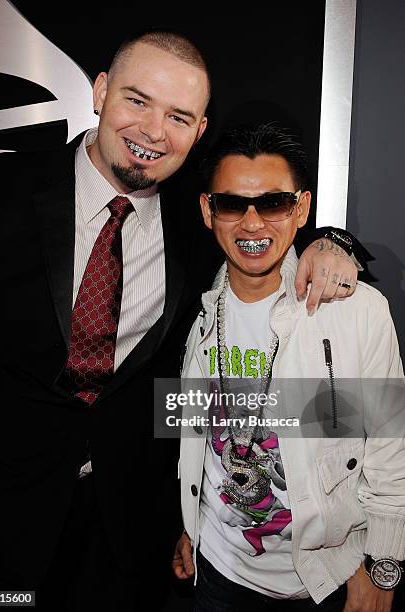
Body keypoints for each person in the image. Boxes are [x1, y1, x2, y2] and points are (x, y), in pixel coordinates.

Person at [0, 30, 367, 611]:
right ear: (100, 92)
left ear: (199, 130)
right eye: (137, 101)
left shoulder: (202, 219)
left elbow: (272, 226)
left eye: (179, 116)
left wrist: (334, 243)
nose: (155, 132)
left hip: (126, 530)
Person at [173, 123, 405, 611]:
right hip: (215, 570)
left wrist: (383, 566)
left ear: (300, 208)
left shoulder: (356, 310)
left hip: (320, 582)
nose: (252, 224)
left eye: (274, 203)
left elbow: (391, 445)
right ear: (207, 210)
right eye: (232, 204)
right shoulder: (190, 304)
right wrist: (190, 523)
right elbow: (192, 430)